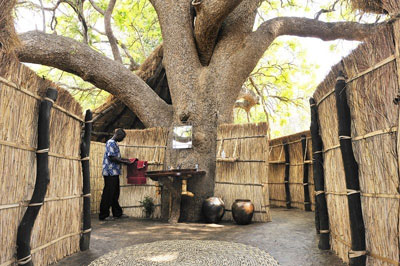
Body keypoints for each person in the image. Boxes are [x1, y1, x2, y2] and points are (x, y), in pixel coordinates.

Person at [99, 128, 132, 221]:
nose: (122, 140)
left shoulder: (114, 143)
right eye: (122, 137)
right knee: (108, 193)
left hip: (114, 172)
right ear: (118, 135)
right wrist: (124, 162)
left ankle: (117, 213)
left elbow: (116, 157)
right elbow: (112, 157)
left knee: (115, 193)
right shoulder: (110, 143)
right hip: (110, 172)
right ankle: (103, 215)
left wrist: (124, 160)